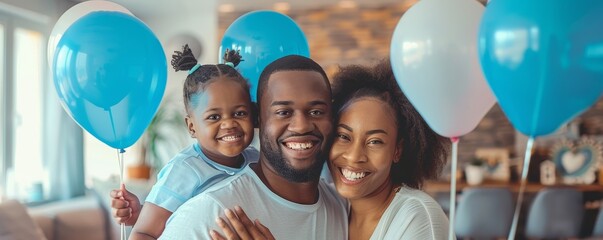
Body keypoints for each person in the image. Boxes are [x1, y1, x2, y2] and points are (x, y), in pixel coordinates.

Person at [213, 60, 451, 240]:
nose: (354, 156)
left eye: (374, 141)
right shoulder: (335, 208)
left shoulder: (417, 216)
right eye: (344, 136)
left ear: (397, 150)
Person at [159, 55, 348, 240]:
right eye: (283, 112)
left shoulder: (343, 207)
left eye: (316, 112)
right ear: (258, 118)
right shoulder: (213, 212)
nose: (301, 126)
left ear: (332, 117)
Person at [109, 44, 259, 240]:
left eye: (240, 113)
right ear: (192, 127)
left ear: (254, 116)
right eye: (214, 117)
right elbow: (144, 232)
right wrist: (144, 216)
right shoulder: (184, 170)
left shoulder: (257, 161)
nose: (229, 124)